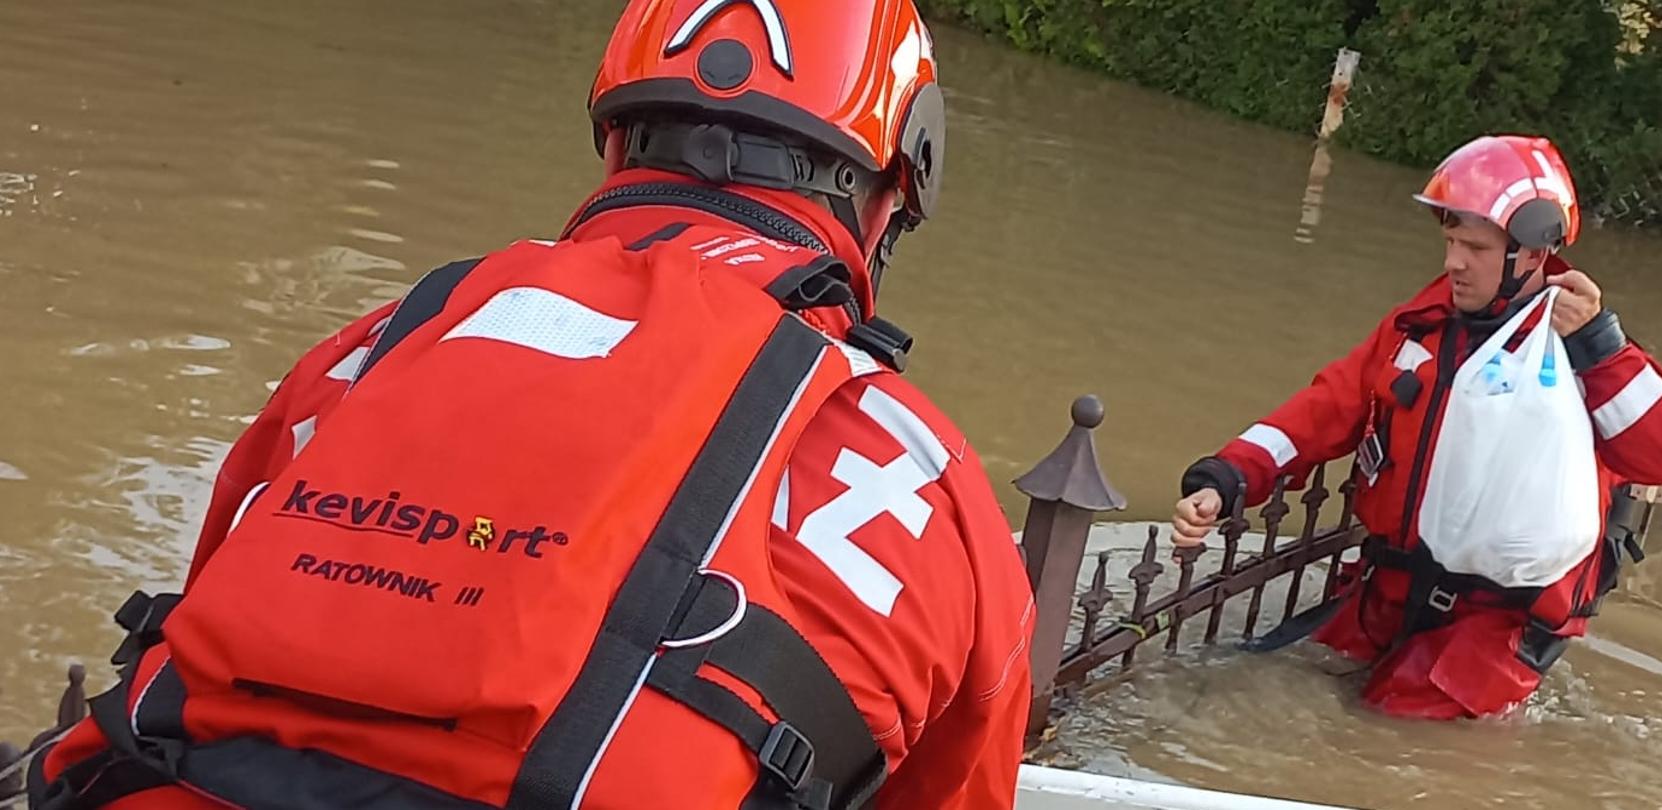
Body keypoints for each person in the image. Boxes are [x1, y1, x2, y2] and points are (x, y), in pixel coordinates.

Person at [26, 0, 1034, 807]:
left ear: (617, 144)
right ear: (892, 195)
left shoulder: (383, 344)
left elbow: (213, 603)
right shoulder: (926, 484)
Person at [1170, 135, 1662, 720]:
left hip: (1499, 624)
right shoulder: (1417, 329)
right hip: (1391, 588)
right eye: (1450, 241)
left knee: (1390, 736)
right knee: (1275, 686)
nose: (1453, 261)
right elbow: (1323, 410)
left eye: (1474, 246)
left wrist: (1602, 346)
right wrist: (1225, 478)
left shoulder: (1580, 351)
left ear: (1531, 252)